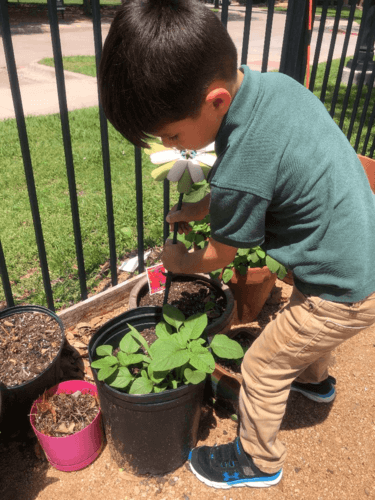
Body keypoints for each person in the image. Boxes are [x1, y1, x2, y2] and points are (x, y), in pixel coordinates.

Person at [98, 0, 375, 490]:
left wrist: (176, 258)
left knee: (265, 364)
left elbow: (221, 254)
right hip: (353, 254)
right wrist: (204, 208)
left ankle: (256, 462)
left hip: (345, 290)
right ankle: (314, 383)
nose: (178, 147)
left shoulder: (244, 162)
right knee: (308, 311)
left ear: (216, 100)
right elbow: (259, 178)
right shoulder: (274, 89)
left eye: (173, 135)